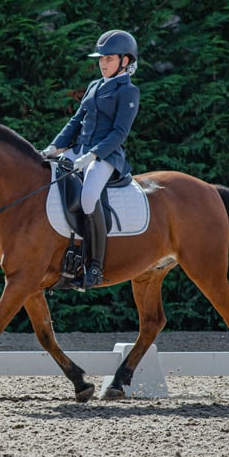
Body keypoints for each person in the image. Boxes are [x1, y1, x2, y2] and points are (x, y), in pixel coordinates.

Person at [41, 29, 140, 290]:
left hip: (105, 156)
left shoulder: (128, 92)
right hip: (78, 150)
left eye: (108, 59)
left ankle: (94, 266)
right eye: (101, 59)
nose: (102, 63)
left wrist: (91, 156)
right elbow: (76, 121)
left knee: (87, 198)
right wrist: (54, 147)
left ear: (125, 61)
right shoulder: (94, 86)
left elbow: (119, 133)